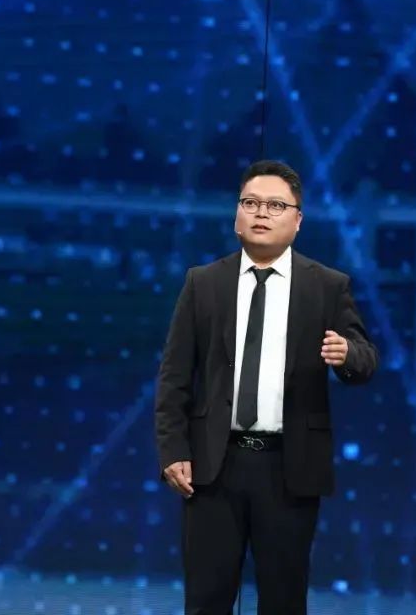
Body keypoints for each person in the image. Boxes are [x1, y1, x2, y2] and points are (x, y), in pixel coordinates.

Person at [154, 159, 380, 614]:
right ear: (236, 216)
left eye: (276, 205)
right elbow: (175, 377)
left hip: (289, 468)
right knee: (206, 600)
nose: (261, 213)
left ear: (297, 221)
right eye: (251, 203)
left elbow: (365, 357)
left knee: (283, 600)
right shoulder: (203, 283)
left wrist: (347, 355)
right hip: (213, 467)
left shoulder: (327, 286)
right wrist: (173, 450)